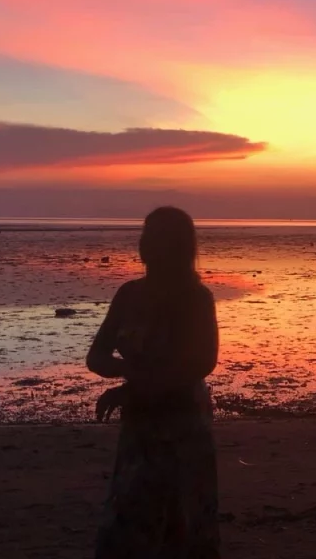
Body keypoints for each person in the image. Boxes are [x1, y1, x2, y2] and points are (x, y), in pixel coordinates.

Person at [86, 207, 221, 558]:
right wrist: (125, 374)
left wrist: (136, 384)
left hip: (183, 423)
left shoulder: (196, 299)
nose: (146, 241)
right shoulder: (129, 295)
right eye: (145, 233)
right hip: (139, 424)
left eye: (155, 234)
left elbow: (201, 363)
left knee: (181, 521)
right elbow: (96, 356)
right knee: (130, 518)